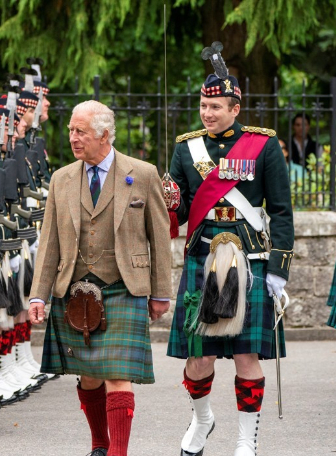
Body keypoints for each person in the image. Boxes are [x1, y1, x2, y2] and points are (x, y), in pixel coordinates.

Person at [167, 43, 294, 456]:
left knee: (245, 357)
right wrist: (171, 200)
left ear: (235, 109)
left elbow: (280, 211)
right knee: (197, 360)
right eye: (204, 105)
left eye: (216, 107)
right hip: (203, 257)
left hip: (250, 260)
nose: (207, 113)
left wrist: (278, 270)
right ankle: (203, 419)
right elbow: (182, 211)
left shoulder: (263, 146)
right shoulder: (186, 149)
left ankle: (245, 441)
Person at [28, 100, 172, 456]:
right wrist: (37, 296)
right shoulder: (61, 179)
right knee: (89, 375)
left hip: (125, 286)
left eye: (81, 132)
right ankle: (99, 444)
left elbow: (160, 237)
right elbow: (49, 243)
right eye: (71, 131)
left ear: (104, 135)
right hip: (74, 290)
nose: (73, 138)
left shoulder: (142, 173)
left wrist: (161, 293)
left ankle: (118, 453)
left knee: (118, 373)